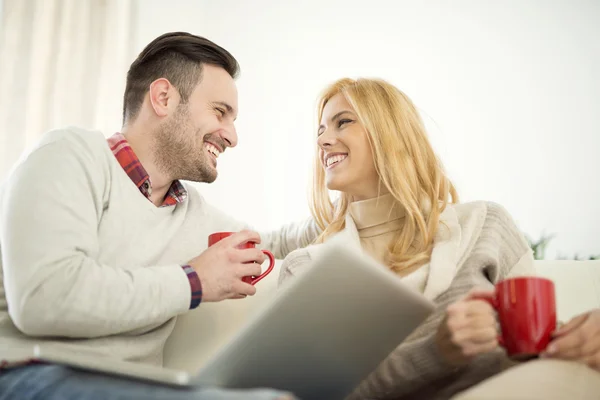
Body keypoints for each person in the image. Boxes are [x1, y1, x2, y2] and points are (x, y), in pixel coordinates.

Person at [0, 32, 319, 399]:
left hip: (138, 387)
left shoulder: (191, 211)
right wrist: (193, 281)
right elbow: (44, 299)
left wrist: (357, 202)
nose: (232, 136)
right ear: (163, 97)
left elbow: (272, 243)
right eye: (220, 112)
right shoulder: (67, 156)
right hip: (32, 376)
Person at [278, 77, 600, 399]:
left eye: (342, 122)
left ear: (390, 131)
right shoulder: (305, 268)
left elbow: (533, 346)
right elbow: (316, 394)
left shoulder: (486, 224)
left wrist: (580, 337)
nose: (322, 141)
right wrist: (434, 353)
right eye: (319, 131)